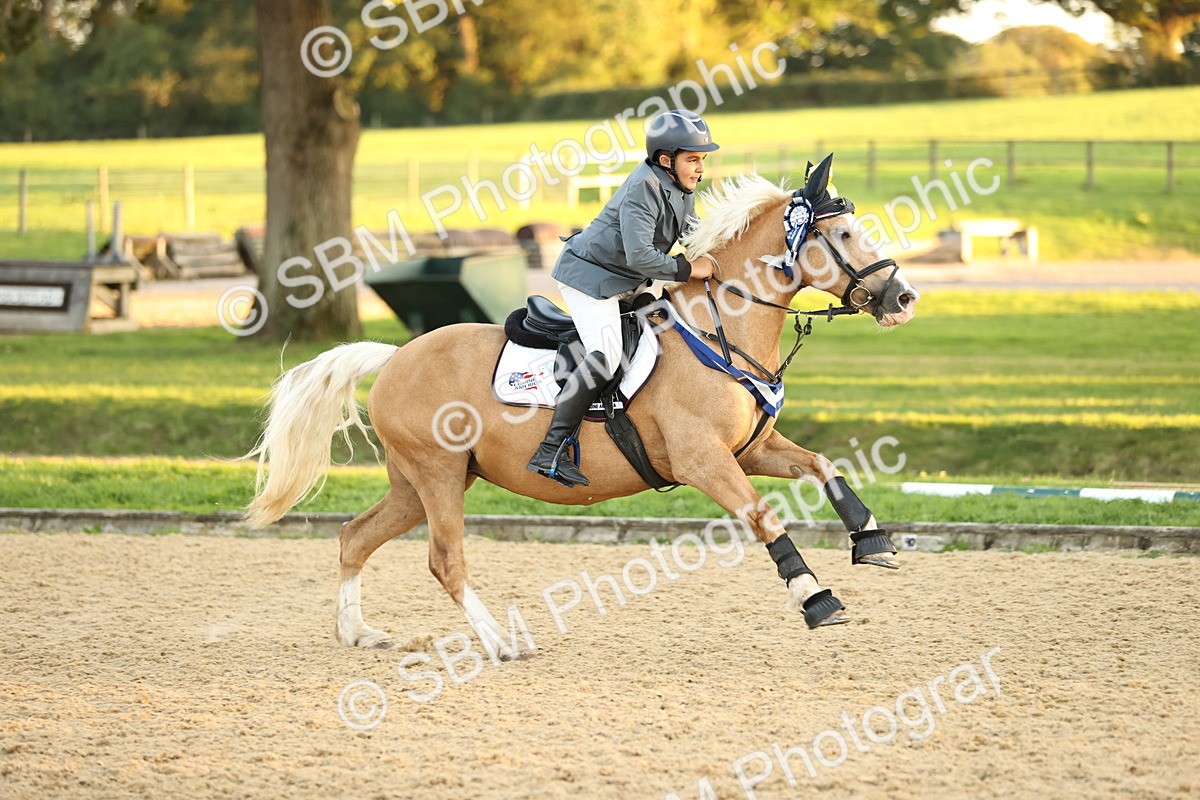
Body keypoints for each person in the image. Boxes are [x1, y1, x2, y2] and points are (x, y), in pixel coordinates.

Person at [526, 109, 720, 487]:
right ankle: (549, 450)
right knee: (606, 355)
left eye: (702, 160)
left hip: (628, 280)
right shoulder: (642, 189)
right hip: (590, 279)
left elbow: (695, 238)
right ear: (666, 160)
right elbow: (641, 256)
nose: (700, 168)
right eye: (693, 159)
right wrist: (689, 269)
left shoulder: (681, 189)